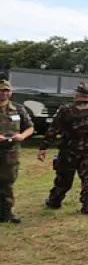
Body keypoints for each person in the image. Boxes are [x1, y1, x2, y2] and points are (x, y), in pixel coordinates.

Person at [38, 82, 88, 215]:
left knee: (64, 177)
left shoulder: (66, 109)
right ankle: (87, 202)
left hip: (69, 150)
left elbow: (53, 129)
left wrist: (44, 146)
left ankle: (55, 201)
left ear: (76, 95)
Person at [0, 79, 34, 224]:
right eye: (1, 90)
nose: (3, 93)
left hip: (10, 151)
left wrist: (22, 136)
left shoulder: (18, 109)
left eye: (6, 90)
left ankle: (6, 213)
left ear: (11, 92)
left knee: (7, 182)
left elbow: (30, 127)